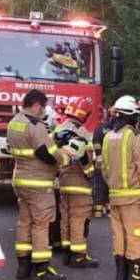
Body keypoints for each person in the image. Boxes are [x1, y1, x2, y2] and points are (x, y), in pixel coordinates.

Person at [8, 90, 71, 280]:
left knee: (24, 222)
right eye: (43, 107)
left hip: (20, 181)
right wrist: (64, 159)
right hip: (38, 184)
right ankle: (41, 268)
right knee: (41, 224)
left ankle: (24, 266)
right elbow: (48, 154)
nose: (43, 111)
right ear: (37, 105)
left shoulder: (14, 122)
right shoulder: (36, 126)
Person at [102, 95, 140, 280]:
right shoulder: (135, 136)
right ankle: (136, 277)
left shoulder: (108, 137)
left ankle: (121, 275)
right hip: (134, 198)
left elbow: (104, 168)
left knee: (120, 236)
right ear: (130, 116)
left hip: (115, 197)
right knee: (137, 235)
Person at [54, 96, 98, 268]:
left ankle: (66, 251)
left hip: (63, 181)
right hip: (79, 182)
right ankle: (78, 255)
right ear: (85, 114)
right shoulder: (83, 133)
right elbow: (86, 160)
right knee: (79, 219)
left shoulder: (60, 129)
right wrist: (91, 174)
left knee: (65, 217)